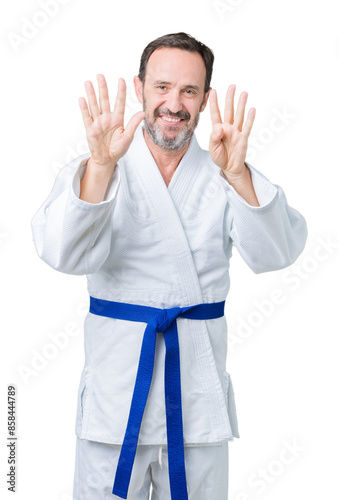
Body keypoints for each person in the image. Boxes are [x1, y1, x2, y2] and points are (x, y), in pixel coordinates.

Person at [31, 32, 308, 500]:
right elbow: (62, 254)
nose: (173, 104)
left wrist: (238, 174)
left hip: (196, 398)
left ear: (204, 101)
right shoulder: (99, 167)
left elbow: (276, 254)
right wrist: (100, 166)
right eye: (162, 87)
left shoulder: (225, 171)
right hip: (116, 396)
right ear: (140, 87)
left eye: (189, 91)